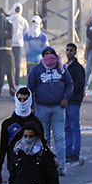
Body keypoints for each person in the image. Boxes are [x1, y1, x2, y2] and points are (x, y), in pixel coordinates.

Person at [28, 47, 73, 176]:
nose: (49, 56)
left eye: (51, 54)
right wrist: (30, 106)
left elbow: (70, 84)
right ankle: (45, 165)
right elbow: (30, 87)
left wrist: (65, 97)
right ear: (42, 56)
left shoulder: (61, 69)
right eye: (46, 54)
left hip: (58, 108)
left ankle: (61, 166)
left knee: (59, 137)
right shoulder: (36, 69)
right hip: (42, 108)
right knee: (44, 138)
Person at [64, 43, 85, 163]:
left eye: (71, 50)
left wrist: (68, 94)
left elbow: (78, 85)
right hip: (65, 102)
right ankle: (67, 151)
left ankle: (75, 152)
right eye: (67, 50)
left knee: (74, 127)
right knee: (67, 127)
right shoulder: (64, 67)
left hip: (74, 101)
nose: (69, 53)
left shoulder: (78, 68)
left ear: (75, 52)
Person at [0, 8, 16, 101]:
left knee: (10, 73)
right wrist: (3, 33)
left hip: (8, 50)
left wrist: (2, 32)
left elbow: (10, 35)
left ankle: (12, 93)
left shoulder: (9, 24)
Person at [9, 2, 29, 86]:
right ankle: (11, 83)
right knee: (9, 65)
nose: (17, 10)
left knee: (17, 65)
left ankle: (16, 83)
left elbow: (26, 32)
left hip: (19, 45)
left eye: (18, 9)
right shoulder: (10, 19)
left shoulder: (23, 21)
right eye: (16, 9)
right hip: (10, 45)